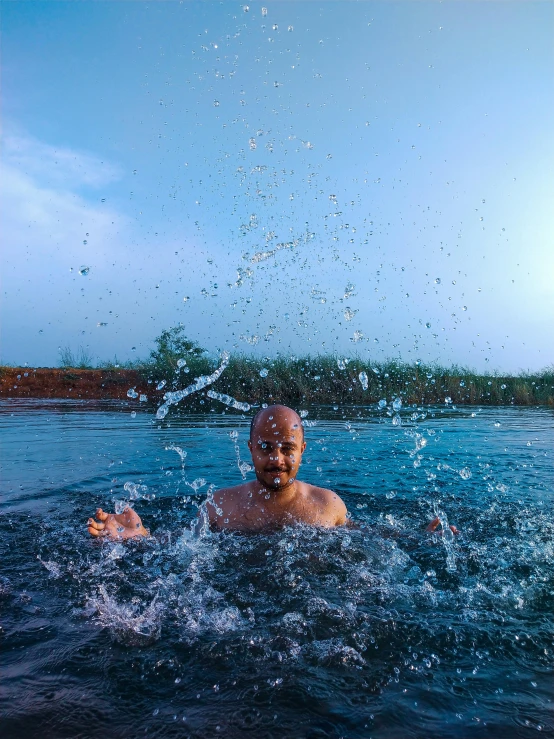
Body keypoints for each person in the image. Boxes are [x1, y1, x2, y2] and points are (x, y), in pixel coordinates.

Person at [87, 404, 348, 539]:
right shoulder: (219, 507)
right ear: (251, 448)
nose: (276, 459)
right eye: (265, 447)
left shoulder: (328, 506)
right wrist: (141, 535)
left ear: (302, 449)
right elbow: (181, 545)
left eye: (287, 448)